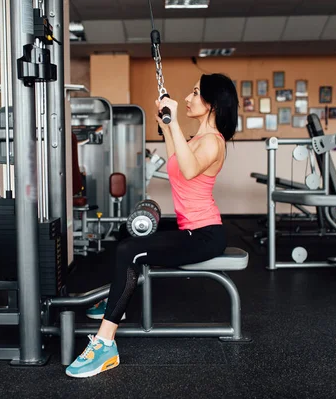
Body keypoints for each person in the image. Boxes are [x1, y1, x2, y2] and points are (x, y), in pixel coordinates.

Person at [65, 73, 239, 378]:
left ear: (211, 103)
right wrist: (165, 124)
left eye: (195, 93)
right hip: (191, 228)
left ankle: (105, 345)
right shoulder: (198, 138)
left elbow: (187, 168)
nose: (188, 98)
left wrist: (173, 125)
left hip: (205, 235)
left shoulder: (213, 142)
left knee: (131, 251)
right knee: (125, 231)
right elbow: (176, 160)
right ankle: (119, 298)